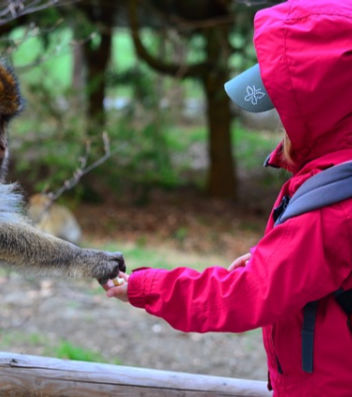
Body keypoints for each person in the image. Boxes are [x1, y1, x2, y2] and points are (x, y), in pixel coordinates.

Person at [104, 0, 352, 395]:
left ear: (319, 107)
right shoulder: (337, 176)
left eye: (284, 106)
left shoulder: (333, 206)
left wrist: (148, 286)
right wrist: (278, 258)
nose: (280, 122)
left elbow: (248, 295)